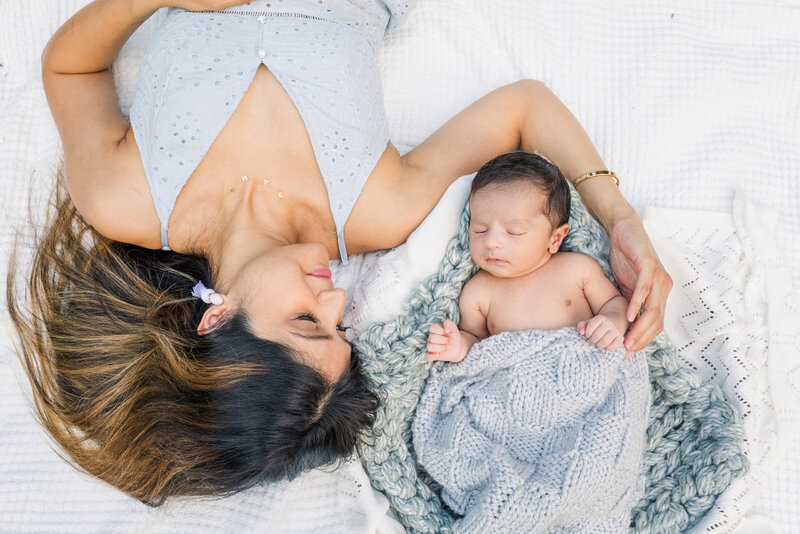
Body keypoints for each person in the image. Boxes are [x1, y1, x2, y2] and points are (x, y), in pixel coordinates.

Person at [7, 0, 672, 507]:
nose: (334, 295)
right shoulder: (374, 211)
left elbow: (71, 68)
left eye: (305, 320)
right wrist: (617, 218)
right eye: (338, 325)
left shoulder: (125, 199)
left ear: (215, 318)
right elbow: (524, 107)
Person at [425, 150, 634, 363]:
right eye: (479, 230)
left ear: (555, 239)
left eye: (513, 231)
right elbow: (477, 341)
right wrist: (457, 346)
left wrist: (611, 321)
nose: (490, 242)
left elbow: (614, 301)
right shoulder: (478, 292)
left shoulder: (577, 270)